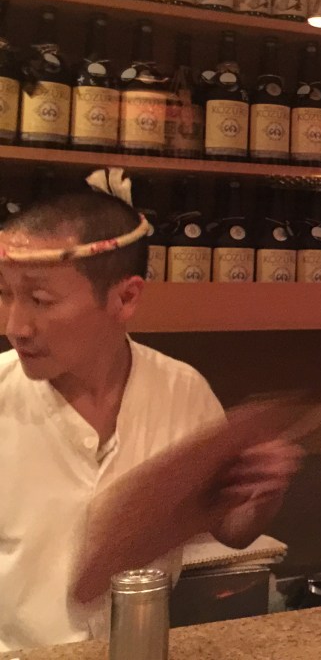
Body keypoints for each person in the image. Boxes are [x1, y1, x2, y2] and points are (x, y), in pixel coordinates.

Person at [0, 181, 303, 651]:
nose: (15, 326)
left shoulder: (182, 390)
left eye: (40, 300)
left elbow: (232, 532)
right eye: (4, 294)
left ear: (125, 298)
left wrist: (261, 492)